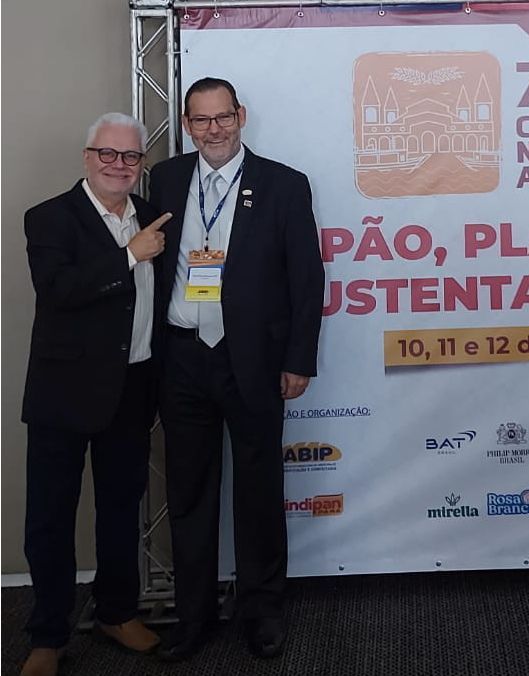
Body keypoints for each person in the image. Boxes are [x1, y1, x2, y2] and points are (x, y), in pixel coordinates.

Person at [149, 77, 324, 661]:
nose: (213, 130)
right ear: (187, 125)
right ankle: (194, 617)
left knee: (257, 490)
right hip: (182, 359)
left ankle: (262, 610)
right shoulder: (167, 179)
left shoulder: (283, 184)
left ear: (240, 116)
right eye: (201, 121)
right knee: (190, 493)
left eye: (222, 117)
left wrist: (300, 358)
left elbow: (306, 278)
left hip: (252, 360)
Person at [20, 113, 171, 676]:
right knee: (51, 519)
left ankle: (116, 611)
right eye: (107, 154)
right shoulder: (50, 218)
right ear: (87, 157)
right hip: (64, 392)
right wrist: (129, 255)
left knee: (119, 510)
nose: (119, 165)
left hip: (132, 387)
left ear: (140, 164)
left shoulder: (154, 216)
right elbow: (58, 291)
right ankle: (48, 635)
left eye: (130, 157)